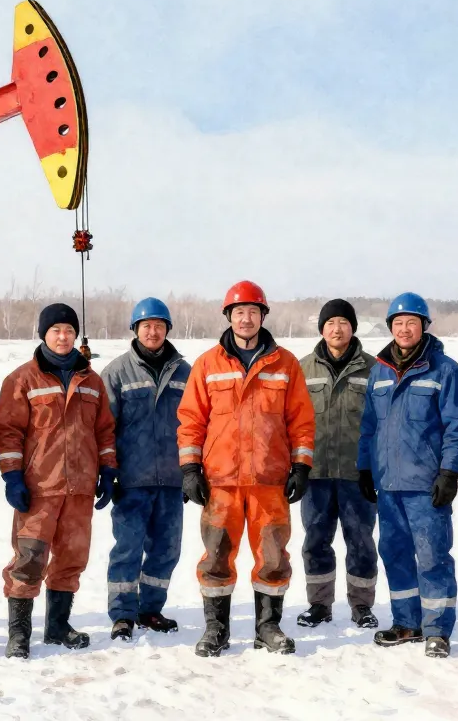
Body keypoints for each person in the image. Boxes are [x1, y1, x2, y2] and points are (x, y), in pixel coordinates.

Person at [177, 281, 316, 657]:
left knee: (273, 557)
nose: (246, 318)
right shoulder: (208, 364)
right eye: (239, 312)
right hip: (220, 482)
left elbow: (301, 420)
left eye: (253, 311)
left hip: (269, 481)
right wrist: (190, 469)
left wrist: (301, 466)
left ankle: (268, 628)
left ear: (263, 316)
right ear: (229, 316)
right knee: (216, 556)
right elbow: (191, 420)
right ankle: (216, 629)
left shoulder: (285, 364)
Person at [0, 303, 118, 659]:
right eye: (56, 331)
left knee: (71, 559)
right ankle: (19, 634)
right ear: (43, 334)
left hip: (80, 488)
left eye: (69, 331)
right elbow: (7, 432)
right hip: (39, 489)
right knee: (29, 559)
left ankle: (58, 627)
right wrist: (13, 476)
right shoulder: (22, 379)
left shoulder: (92, 381)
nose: (63, 337)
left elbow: (105, 431)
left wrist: (108, 469)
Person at [357, 293, 458, 658]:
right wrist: (365, 467)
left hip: (426, 485)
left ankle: (437, 629)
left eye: (411, 322)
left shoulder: (446, 371)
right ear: (390, 327)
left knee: (432, 556)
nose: (404, 329)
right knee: (394, 553)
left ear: (424, 326)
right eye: (398, 323)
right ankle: (406, 622)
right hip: (388, 484)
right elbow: (369, 427)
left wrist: (449, 472)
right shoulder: (379, 372)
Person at [100, 297, 190, 640]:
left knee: (166, 550)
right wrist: (108, 471)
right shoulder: (116, 372)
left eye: (159, 326)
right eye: (146, 326)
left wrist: (191, 472)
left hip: (172, 480)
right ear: (135, 330)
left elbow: (197, 425)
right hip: (131, 481)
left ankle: (150, 609)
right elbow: (104, 428)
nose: (153, 332)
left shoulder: (185, 373)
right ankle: (122, 614)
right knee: (127, 549)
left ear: (168, 329)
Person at [297, 299, 380, 631]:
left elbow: (381, 422)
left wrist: (373, 468)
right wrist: (295, 466)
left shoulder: (374, 369)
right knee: (315, 540)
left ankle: (362, 605)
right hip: (315, 473)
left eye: (343, 322)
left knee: (361, 540)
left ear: (353, 328)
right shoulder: (302, 369)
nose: (337, 329)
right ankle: (319, 604)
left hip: (357, 474)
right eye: (330, 323)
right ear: (321, 329)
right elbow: (292, 421)